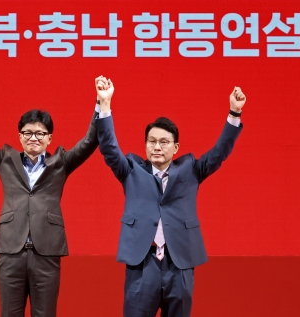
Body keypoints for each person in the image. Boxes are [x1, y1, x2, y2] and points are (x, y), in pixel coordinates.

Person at [94, 76, 246, 317]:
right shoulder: (131, 169)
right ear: (145, 145)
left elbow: (219, 153)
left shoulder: (190, 169)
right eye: (152, 141)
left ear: (176, 148)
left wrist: (234, 114)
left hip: (179, 262)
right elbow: (109, 147)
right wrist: (104, 104)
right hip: (143, 262)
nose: (157, 147)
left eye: (164, 142)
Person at [0, 78, 99, 317]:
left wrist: (100, 105)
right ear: (19, 136)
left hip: (47, 252)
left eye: (40, 133)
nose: (34, 137)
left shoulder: (61, 163)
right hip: (11, 252)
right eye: (28, 133)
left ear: (49, 138)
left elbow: (90, 141)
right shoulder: (5, 160)